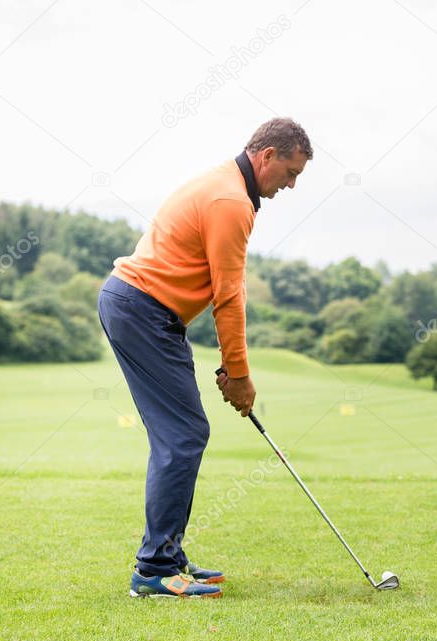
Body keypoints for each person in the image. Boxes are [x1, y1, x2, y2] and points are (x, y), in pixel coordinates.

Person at [97, 118, 313, 598]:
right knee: (184, 434)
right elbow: (228, 297)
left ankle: (167, 556)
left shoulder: (226, 185)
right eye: (290, 172)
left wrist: (229, 368)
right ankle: (153, 569)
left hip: (148, 312)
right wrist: (238, 374)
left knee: (183, 433)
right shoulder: (231, 201)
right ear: (267, 155)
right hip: (141, 309)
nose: (291, 185)